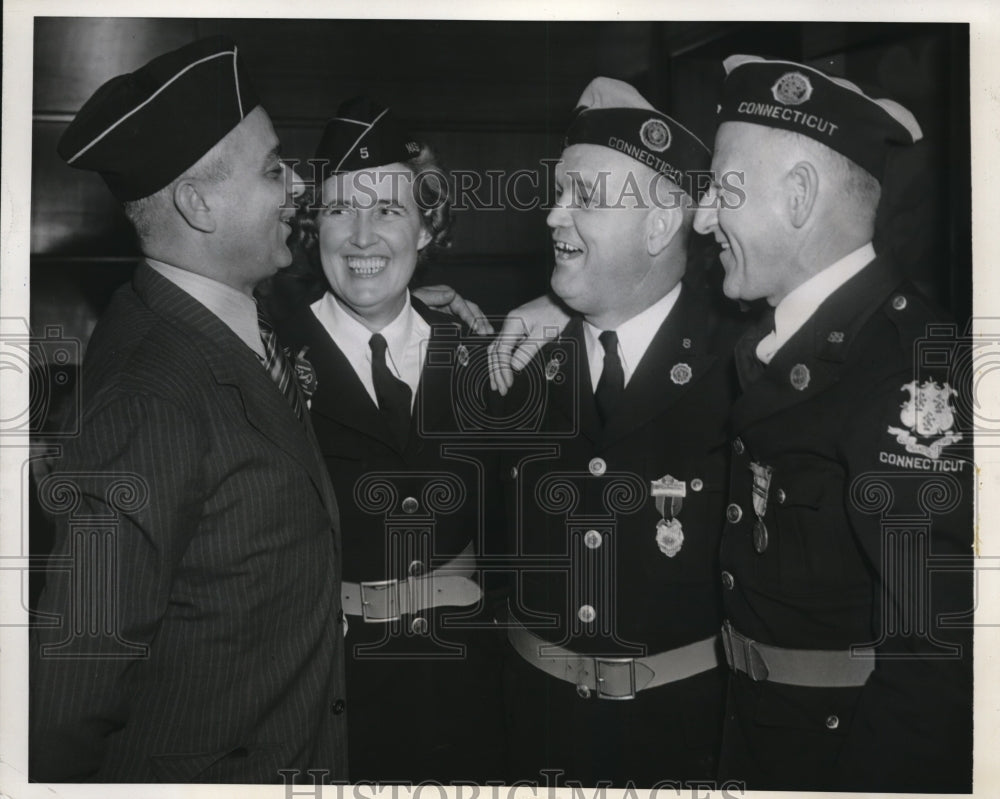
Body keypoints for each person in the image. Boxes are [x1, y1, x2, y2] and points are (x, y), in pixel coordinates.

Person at [30, 36, 348, 783]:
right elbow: (66, 700)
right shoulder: (150, 397)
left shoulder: (218, 320)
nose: (298, 184)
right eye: (273, 168)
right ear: (198, 204)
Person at [691, 55, 973, 791]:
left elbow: (935, 659)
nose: (702, 217)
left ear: (799, 195)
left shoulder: (908, 372)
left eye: (722, 189)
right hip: (757, 737)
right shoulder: (777, 334)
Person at [496, 78, 743, 786]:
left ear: (660, 226)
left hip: (682, 747)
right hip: (531, 738)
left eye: (584, 196)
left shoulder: (743, 365)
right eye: (558, 192)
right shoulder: (516, 357)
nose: (552, 215)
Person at [275, 97, 506, 783]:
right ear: (312, 225)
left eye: (388, 211)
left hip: (465, 690)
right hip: (323, 685)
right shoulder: (266, 351)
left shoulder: (478, 354)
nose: (362, 237)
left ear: (427, 228)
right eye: (340, 210)